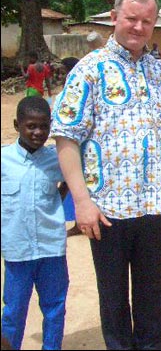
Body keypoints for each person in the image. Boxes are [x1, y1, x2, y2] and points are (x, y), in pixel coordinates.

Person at [50, 0, 161, 350]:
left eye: (147, 21)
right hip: (107, 211)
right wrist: (81, 202)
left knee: (153, 298)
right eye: (131, 19)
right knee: (114, 301)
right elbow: (66, 138)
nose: (138, 27)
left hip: (155, 208)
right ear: (113, 17)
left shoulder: (160, 71)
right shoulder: (89, 70)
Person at [1, 96, 69, 350]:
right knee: (14, 311)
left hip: (51, 248)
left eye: (44, 126)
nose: (38, 132)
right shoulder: (3, 160)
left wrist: (57, 200)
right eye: (31, 126)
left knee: (54, 308)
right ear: (17, 125)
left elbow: (70, 179)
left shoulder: (56, 159)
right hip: (17, 251)